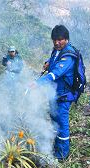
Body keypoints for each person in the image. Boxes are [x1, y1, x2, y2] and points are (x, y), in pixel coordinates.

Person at [35, 25, 79, 160]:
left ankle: (62, 155)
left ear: (66, 39)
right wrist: (48, 62)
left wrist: (38, 83)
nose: (56, 42)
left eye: (60, 40)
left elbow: (56, 73)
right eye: (54, 40)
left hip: (64, 95)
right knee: (55, 119)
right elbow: (54, 61)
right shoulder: (56, 50)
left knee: (62, 123)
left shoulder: (69, 55)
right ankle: (55, 147)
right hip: (54, 93)